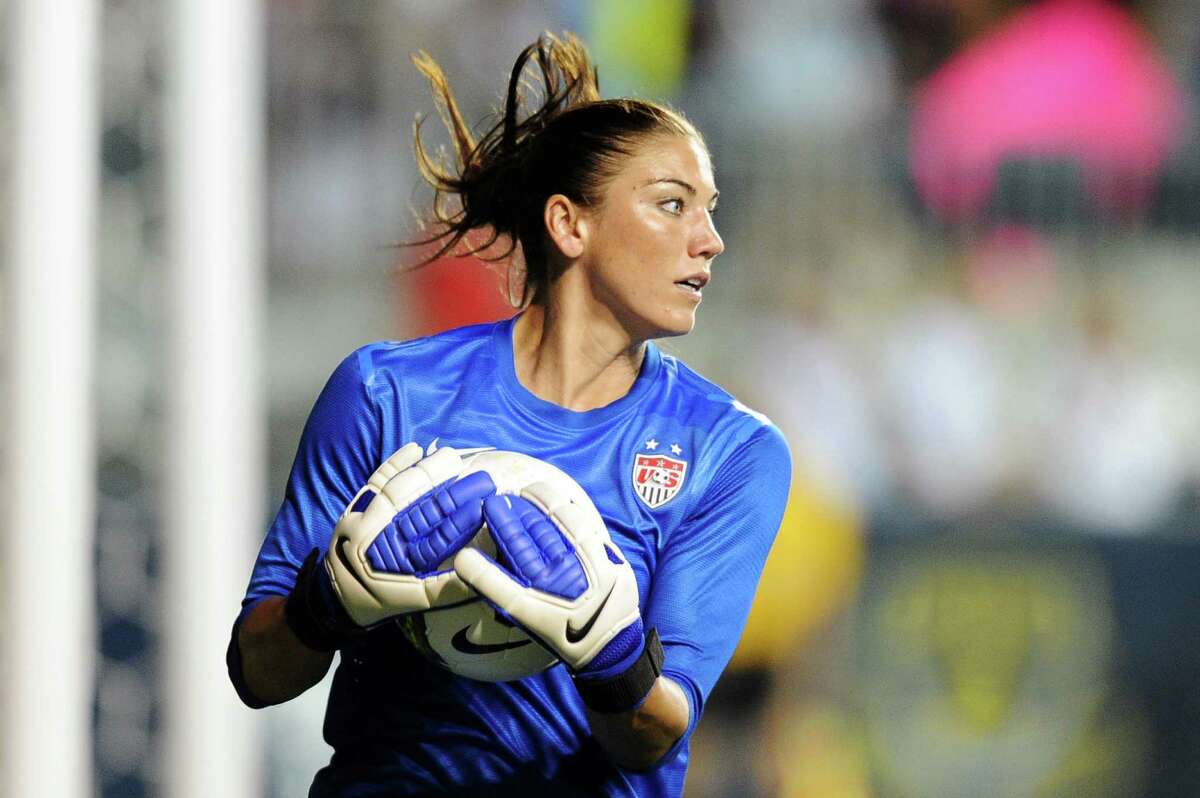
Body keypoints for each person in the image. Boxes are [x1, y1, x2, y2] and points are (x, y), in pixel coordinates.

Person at [227, 33, 791, 797]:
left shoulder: (730, 452)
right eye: (672, 205)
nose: (711, 241)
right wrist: (327, 601)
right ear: (570, 225)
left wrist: (609, 653)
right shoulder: (385, 394)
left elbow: (655, 736)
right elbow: (257, 673)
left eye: (710, 211)